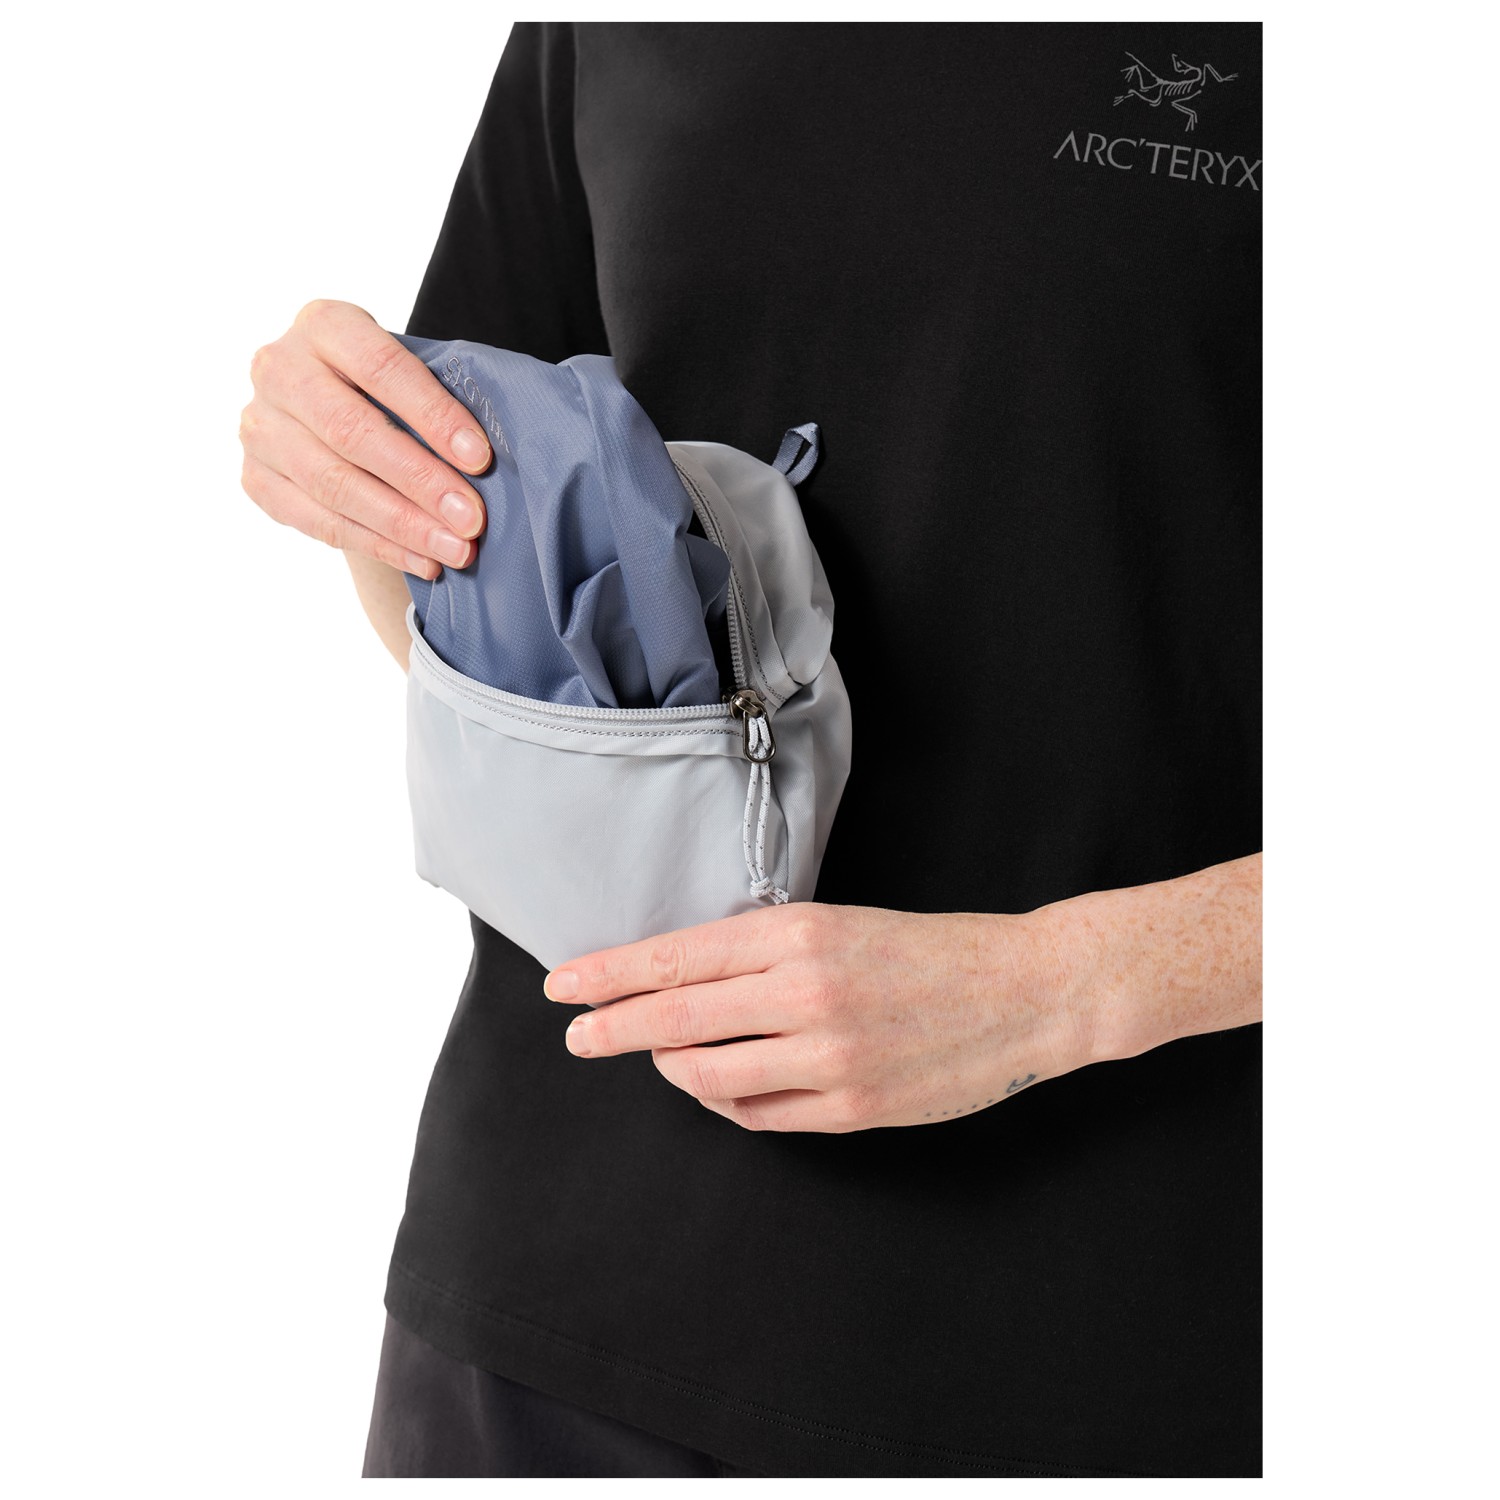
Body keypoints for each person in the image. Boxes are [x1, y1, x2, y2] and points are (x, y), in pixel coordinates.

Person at [238, 22, 1262, 1478]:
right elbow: (475, 599)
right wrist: (368, 482)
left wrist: (1062, 987)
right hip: (550, 1319)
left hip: (1120, 1351)